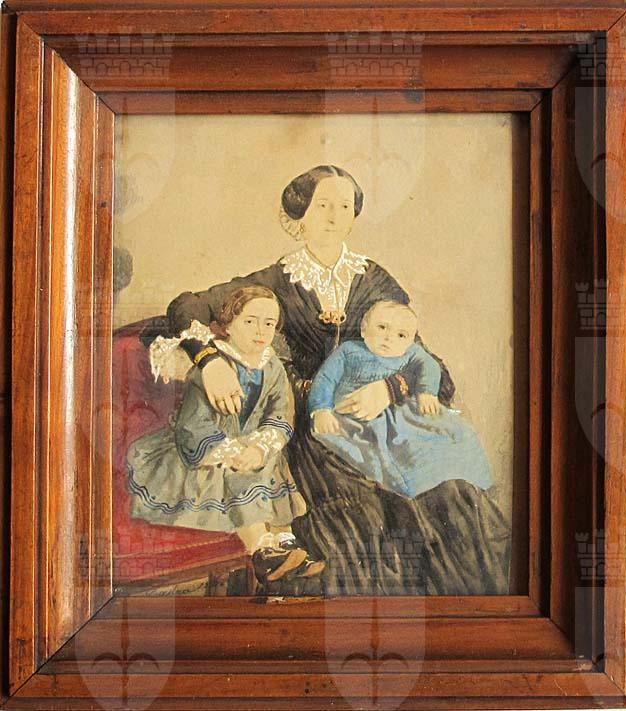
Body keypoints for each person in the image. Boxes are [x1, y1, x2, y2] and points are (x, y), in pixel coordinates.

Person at [142, 164, 511, 595]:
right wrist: (209, 360)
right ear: (299, 214)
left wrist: (389, 388)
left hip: (388, 427)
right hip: (314, 428)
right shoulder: (275, 281)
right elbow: (186, 306)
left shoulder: (374, 279)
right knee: (366, 515)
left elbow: (431, 369)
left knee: (451, 498)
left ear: (354, 215)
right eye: (322, 205)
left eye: (344, 206)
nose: (334, 216)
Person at [128, 286, 324, 585]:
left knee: (268, 462)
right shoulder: (211, 368)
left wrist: (261, 446)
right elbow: (192, 425)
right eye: (250, 321)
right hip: (205, 454)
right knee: (240, 473)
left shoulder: (272, 366)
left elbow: (281, 414)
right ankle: (262, 551)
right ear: (227, 325)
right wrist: (231, 452)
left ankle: (285, 543)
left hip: (250, 446)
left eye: (269, 323)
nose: (260, 330)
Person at [309, 300, 492, 498]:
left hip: (402, 415)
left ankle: (454, 478)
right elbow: (325, 379)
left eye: (401, 335)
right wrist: (321, 409)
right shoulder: (348, 351)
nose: (389, 338)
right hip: (357, 418)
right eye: (382, 327)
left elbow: (429, 366)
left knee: (443, 437)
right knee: (375, 456)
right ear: (363, 328)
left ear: (411, 340)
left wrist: (426, 391)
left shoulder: (411, 353)